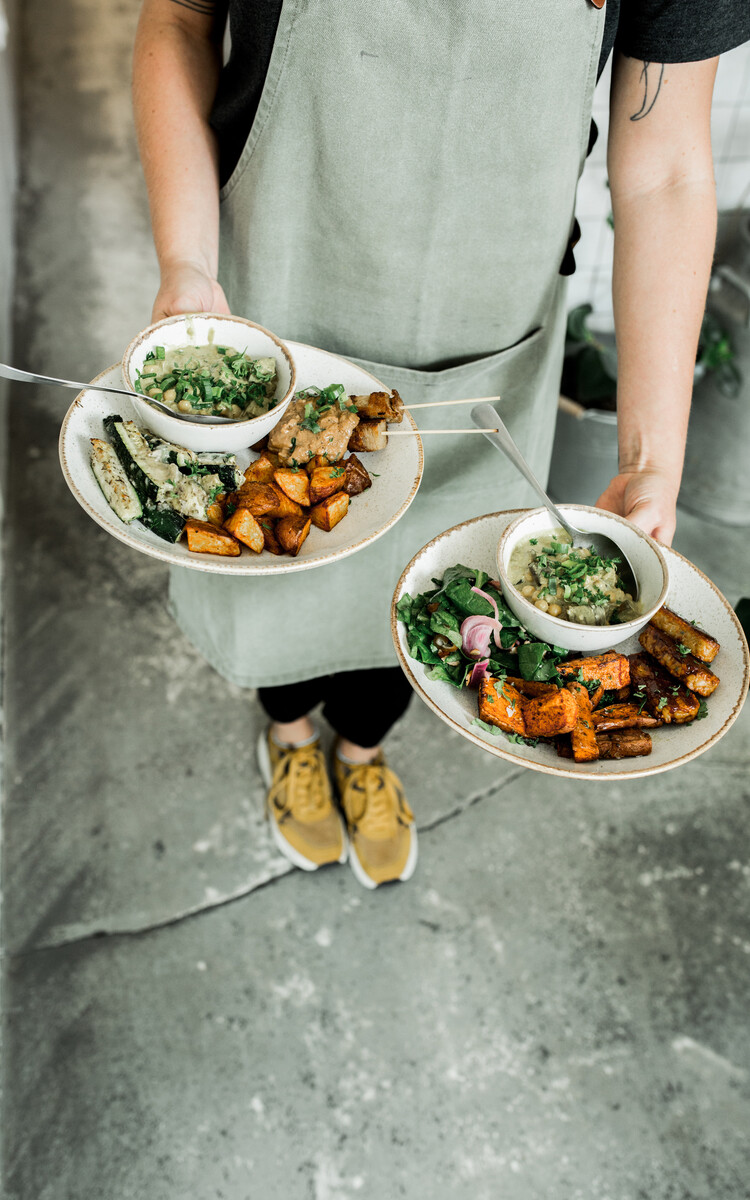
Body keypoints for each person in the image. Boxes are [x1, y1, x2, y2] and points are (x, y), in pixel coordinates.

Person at [132, 0, 749, 888]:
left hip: (488, 337)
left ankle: (362, 746)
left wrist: (652, 460)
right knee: (280, 569)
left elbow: (666, 168)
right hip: (280, 283)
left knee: (447, 589)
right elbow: (181, 18)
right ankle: (292, 733)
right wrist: (186, 263)